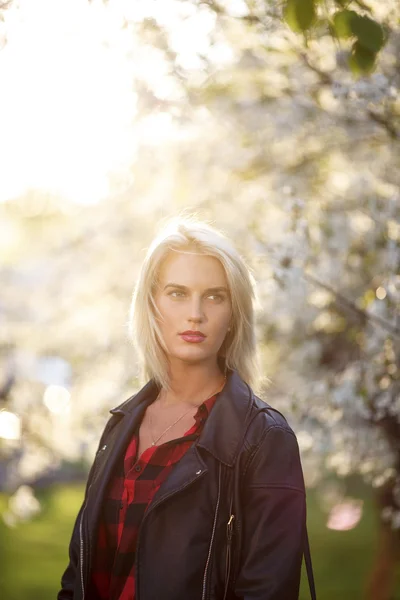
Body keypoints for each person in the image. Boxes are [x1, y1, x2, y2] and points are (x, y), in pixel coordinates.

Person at [58, 216, 315, 600]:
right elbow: (78, 574)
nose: (196, 313)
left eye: (215, 295)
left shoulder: (264, 440)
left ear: (234, 315)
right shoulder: (121, 425)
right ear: (152, 305)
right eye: (177, 293)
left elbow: (268, 590)